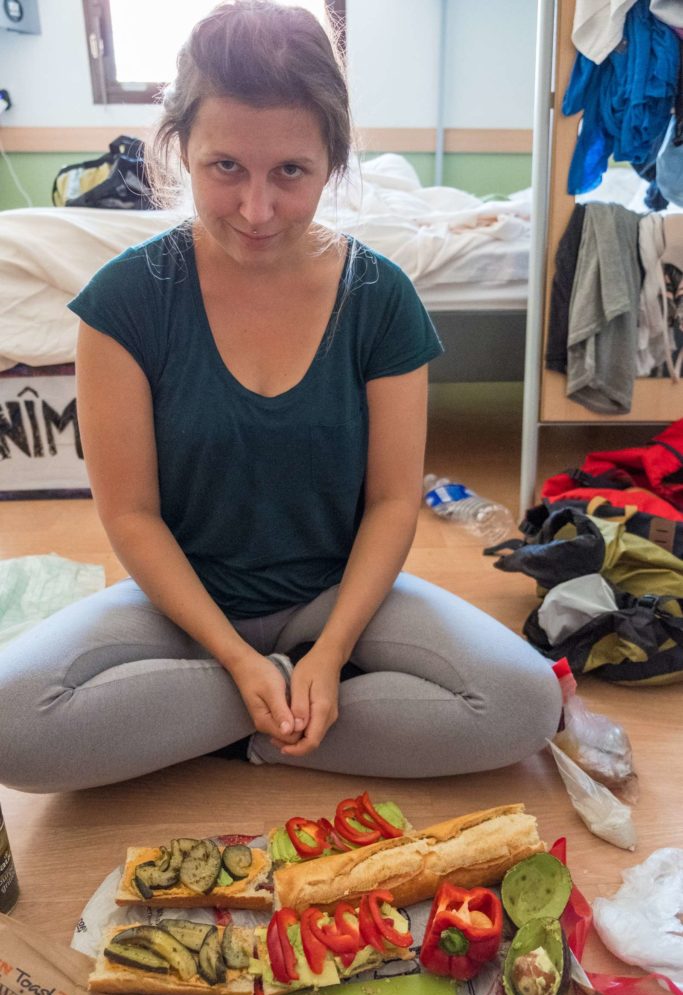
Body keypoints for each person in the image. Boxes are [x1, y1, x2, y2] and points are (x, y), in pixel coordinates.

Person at [0, 0, 561, 793]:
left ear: (330, 162)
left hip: (338, 596)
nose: (256, 211)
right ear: (180, 150)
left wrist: (330, 652)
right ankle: (271, 701)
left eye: (290, 173)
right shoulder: (124, 304)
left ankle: (247, 731)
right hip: (183, 607)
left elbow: (394, 502)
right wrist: (234, 658)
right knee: (10, 725)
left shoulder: (381, 298)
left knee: (521, 703)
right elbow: (130, 515)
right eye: (224, 167)